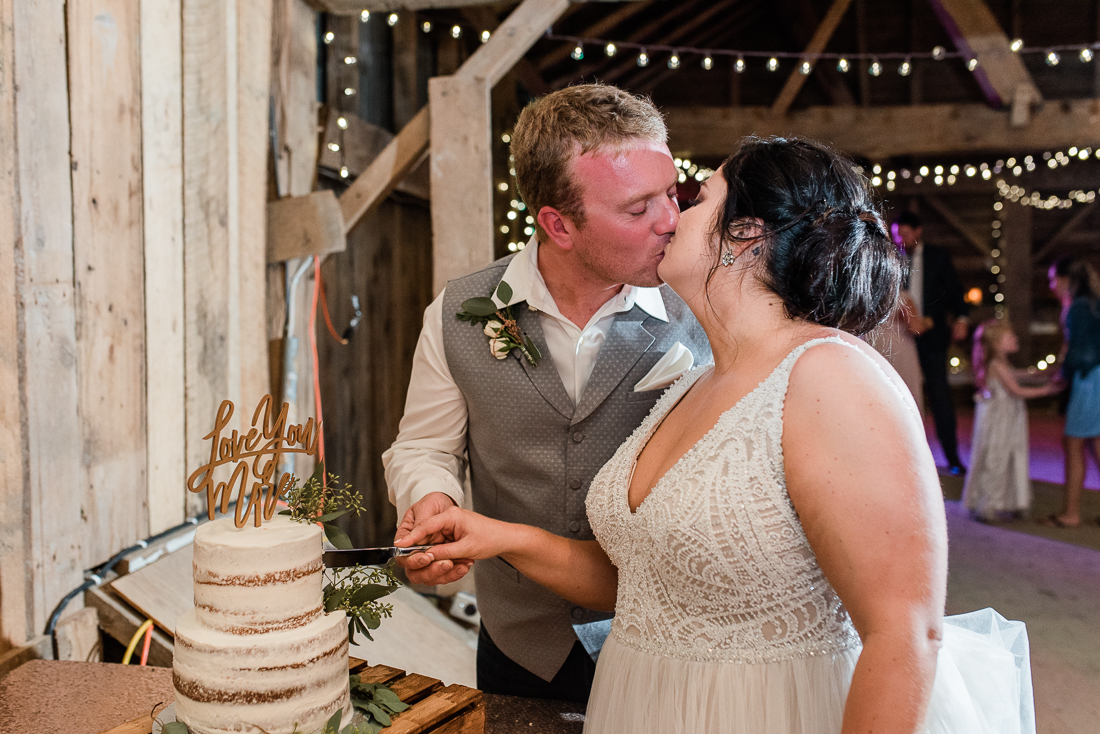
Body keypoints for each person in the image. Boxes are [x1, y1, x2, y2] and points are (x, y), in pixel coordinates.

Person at [398, 138, 1032, 733]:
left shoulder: (832, 375)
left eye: (694, 199)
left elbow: (905, 632)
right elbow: (645, 579)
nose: (673, 217)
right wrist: (496, 535)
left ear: (746, 239)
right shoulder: (692, 385)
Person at [382, 83, 711, 701]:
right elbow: (422, 446)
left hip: (669, 640)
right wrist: (432, 502)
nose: (671, 220)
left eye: (671, 193)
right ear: (558, 225)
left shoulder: (704, 307)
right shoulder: (458, 313)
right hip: (518, 643)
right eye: (638, 209)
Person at [893, 212, 970, 474]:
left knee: (940, 396)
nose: (900, 239)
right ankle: (903, 456)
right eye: (896, 235)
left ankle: (952, 458)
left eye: (904, 234)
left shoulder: (938, 257)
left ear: (918, 231)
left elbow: (955, 290)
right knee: (901, 396)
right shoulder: (892, 257)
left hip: (932, 335)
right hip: (900, 336)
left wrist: (961, 317)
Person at [964, 320, 1061, 523]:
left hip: (1007, 418)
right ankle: (988, 502)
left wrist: (1039, 373)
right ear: (997, 343)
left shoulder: (1002, 364)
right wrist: (1048, 390)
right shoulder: (996, 365)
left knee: (1011, 454)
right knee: (997, 457)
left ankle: (1012, 500)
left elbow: (1016, 375)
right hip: (999, 421)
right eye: (1011, 336)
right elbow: (1016, 390)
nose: (1015, 338)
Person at [1041, 256, 1100, 528]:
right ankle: (1071, 510)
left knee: (1074, 443)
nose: (1052, 285)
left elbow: (1079, 351)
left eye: (1054, 279)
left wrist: (1061, 376)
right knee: (1096, 444)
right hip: (1096, 376)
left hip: (1089, 380)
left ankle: (1071, 513)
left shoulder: (1077, 307)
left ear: (1067, 279)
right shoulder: (1093, 304)